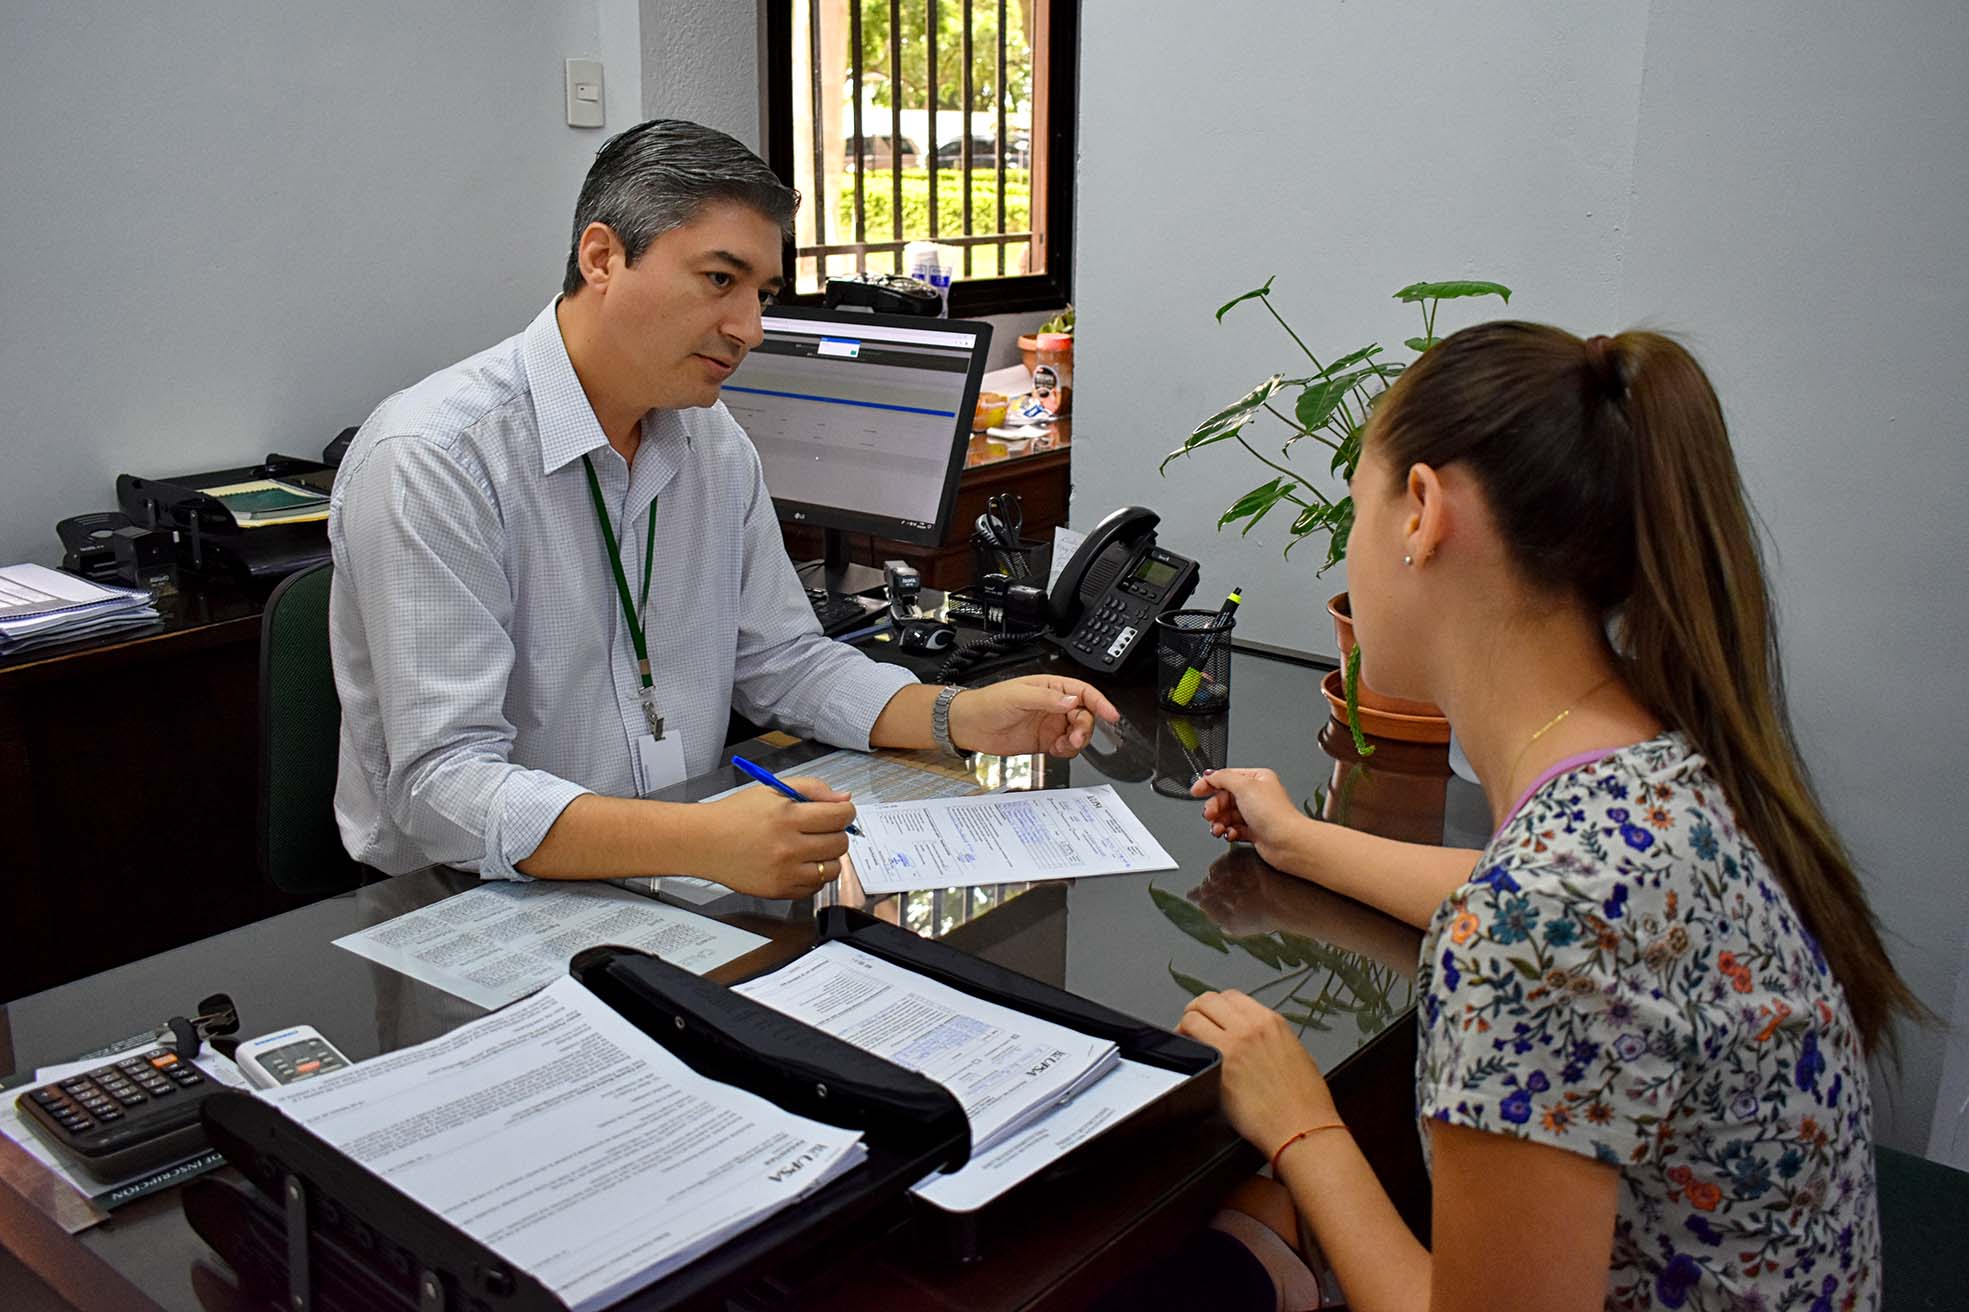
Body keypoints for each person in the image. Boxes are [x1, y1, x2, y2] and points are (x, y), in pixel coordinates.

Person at [1175, 323, 1922, 1309]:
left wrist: (1302, 1123)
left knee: (1234, 1233)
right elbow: (1536, 908)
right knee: (1264, 1225)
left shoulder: (1533, 918)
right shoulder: (1661, 763)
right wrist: (1299, 839)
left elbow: (1525, 925)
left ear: (1421, 513)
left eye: (1357, 508)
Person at [328, 119, 1115, 894]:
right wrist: (700, 840)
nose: (751, 328)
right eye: (718, 280)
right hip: (476, 897)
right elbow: (443, 786)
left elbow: (783, 661)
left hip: (675, 873)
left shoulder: (710, 439)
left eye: (761, 292)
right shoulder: (435, 459)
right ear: (602, 257)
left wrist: (958, 716)